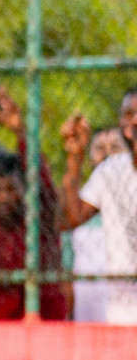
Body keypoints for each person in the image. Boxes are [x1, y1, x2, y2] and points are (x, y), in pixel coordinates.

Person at [0, 78, 66, 321]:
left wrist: (20, 131)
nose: (3, 197)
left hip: (42, 315)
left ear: (23, 190)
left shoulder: (39, 219)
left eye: (10, 189)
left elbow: (42, 182)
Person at [62, 92, 137, 325]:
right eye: (128, 114)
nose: (134, 121)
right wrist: (75, 158)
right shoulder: (110, 171)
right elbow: (71, 218)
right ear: (121, 125)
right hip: (122, 313)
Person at [69, 127, 123, 321]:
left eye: (115, 147)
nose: (107, 154)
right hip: (87, 318)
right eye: (100, 148)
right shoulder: (77, 204)